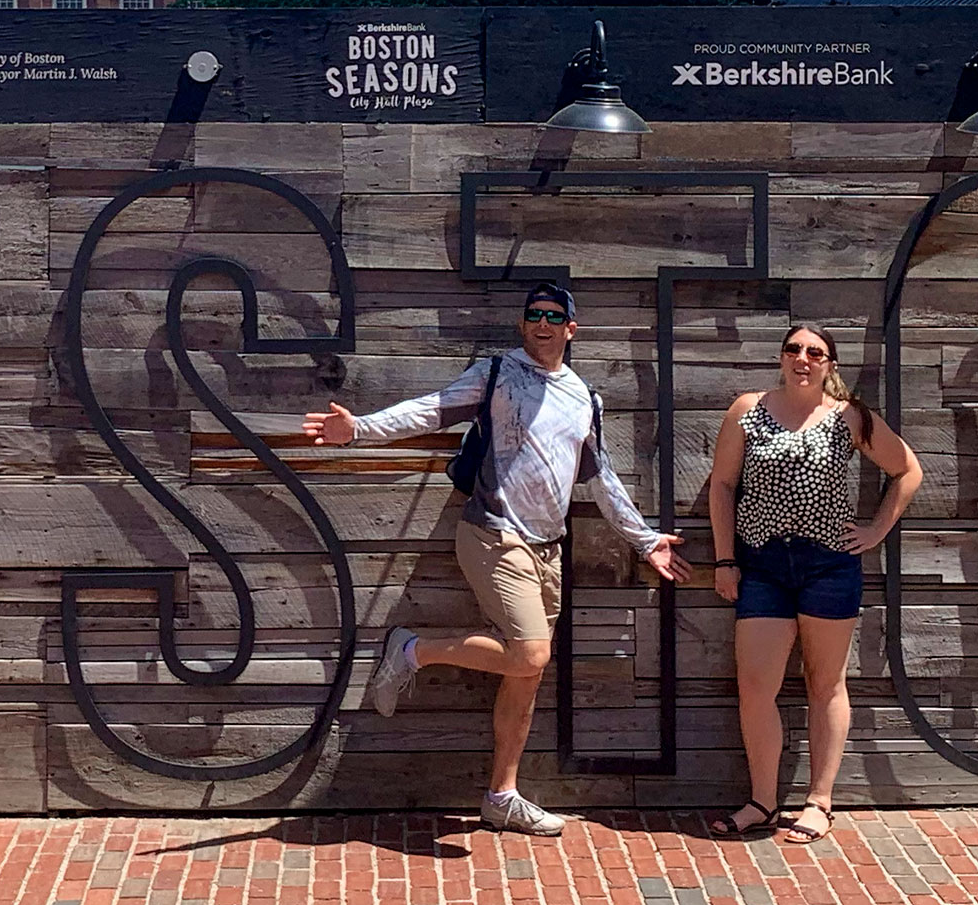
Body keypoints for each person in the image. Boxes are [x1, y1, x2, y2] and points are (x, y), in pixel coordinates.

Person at [302, 281, 688, 836]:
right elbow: (430, 410)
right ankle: (413, 650)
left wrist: (645, 539)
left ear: (570, 329)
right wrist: (358, 429)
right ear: (522, 323)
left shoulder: (584, 399)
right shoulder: (497, 374)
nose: (544, 323)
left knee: (525, 674)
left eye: (555, 316)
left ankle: (501, 796)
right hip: (492, 534)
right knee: (531, 656)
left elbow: (601, 479)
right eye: (534, 314)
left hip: (548, 551)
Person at [703, 324, 922, 843]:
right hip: (763, 566)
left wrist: (875, 530)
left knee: (826, 684)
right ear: (781, 358)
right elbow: (723, 485)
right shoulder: (748, 409)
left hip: (828, 564)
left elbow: (907, 470)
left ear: (830, 364)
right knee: (756, 687)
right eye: (794, 349)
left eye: (815, 352)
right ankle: (762, 801)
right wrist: (725, 559)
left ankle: (820, 801)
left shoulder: (850, 417)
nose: (803, 358)